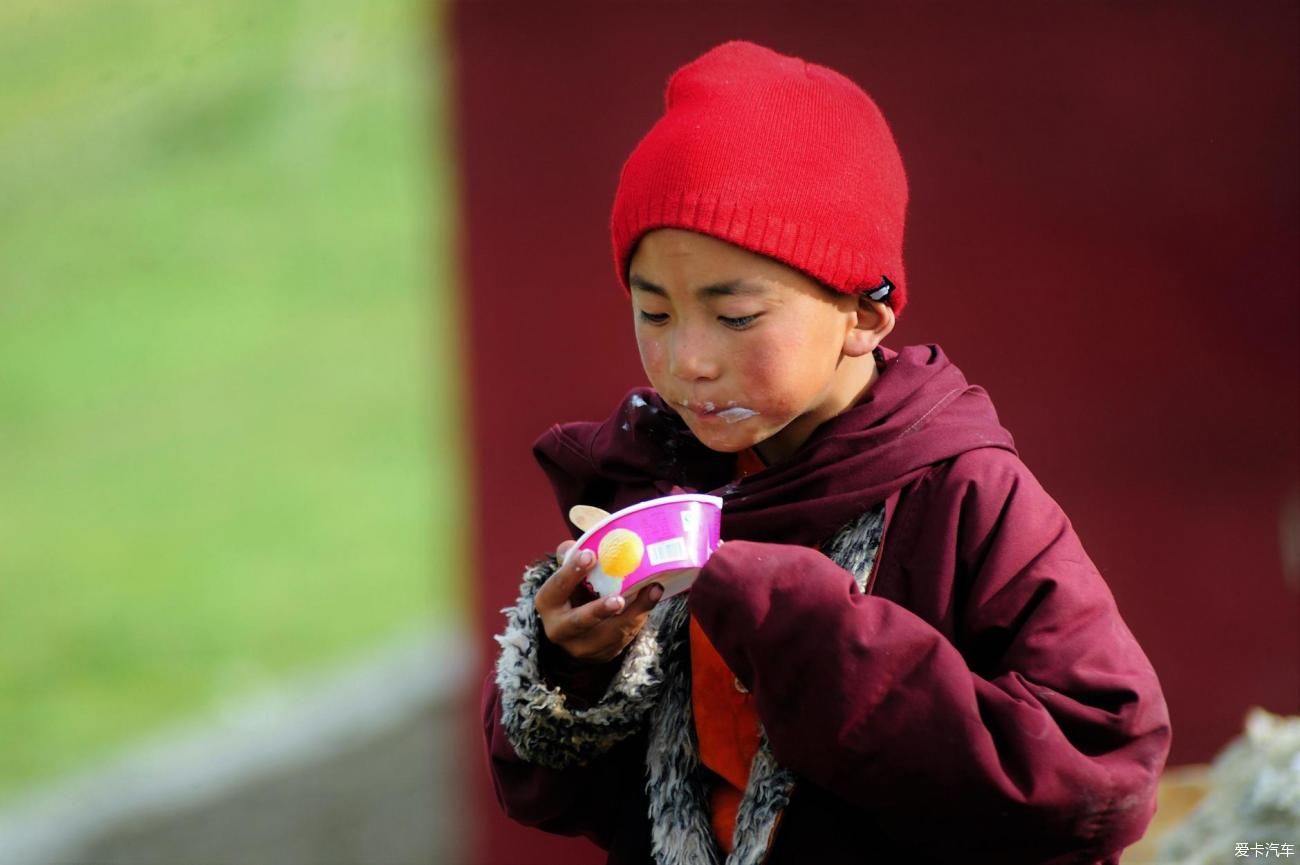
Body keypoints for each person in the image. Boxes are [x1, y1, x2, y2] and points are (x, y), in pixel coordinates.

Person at [481, 39, 1171, 865]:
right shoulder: (656, 480)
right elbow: (556, 795)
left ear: (867, 313)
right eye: (655, 313)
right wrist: (574, 669)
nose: (688, 361)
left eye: (736, 318)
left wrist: (805, 625)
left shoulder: (966, 495)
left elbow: (1099, 781)